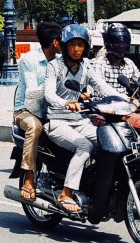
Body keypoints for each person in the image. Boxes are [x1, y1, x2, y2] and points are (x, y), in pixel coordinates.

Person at [44, 22, 123, 214]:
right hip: (57, 121)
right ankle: (66, 193)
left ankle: (96, 185)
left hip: (80, 120)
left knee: (111, 142)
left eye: (80, 45)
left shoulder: (86, 66)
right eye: (72, 45)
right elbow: (49, 93)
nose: (77, 49)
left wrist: (125, 100)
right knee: (84, 146)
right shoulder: (54, 66)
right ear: (64, 46)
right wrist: (65, 103)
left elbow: (102, 86)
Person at [13, 21, 62, 200]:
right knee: (35, 127)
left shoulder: (60, 62)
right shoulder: (29, 60)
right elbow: (32, 93)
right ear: (55, 42)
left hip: (53, 110)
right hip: (26, 110)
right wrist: (50, 89)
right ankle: (29, 178)